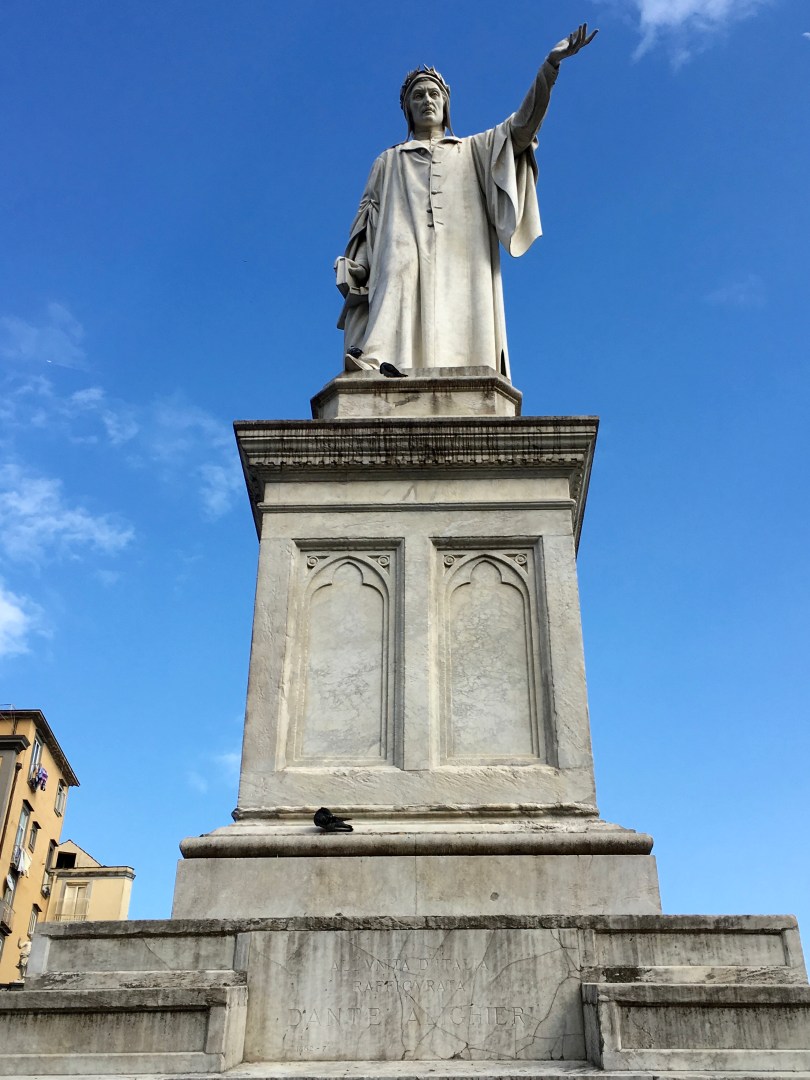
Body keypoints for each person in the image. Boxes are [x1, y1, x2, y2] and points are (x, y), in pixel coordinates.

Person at [336, 24, 597, 378]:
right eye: (417, 96)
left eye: (433, 94)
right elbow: (369, 222)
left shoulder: (474, 149)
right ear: (407, 110)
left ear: (446, 104)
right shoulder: (388, 160)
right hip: (400, 242)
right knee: (397, 272)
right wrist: (359, 267)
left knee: (465, 307)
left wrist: (550, 67)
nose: (426, 101)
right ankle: (377, 360)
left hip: (463, 250)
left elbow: (522, 128)